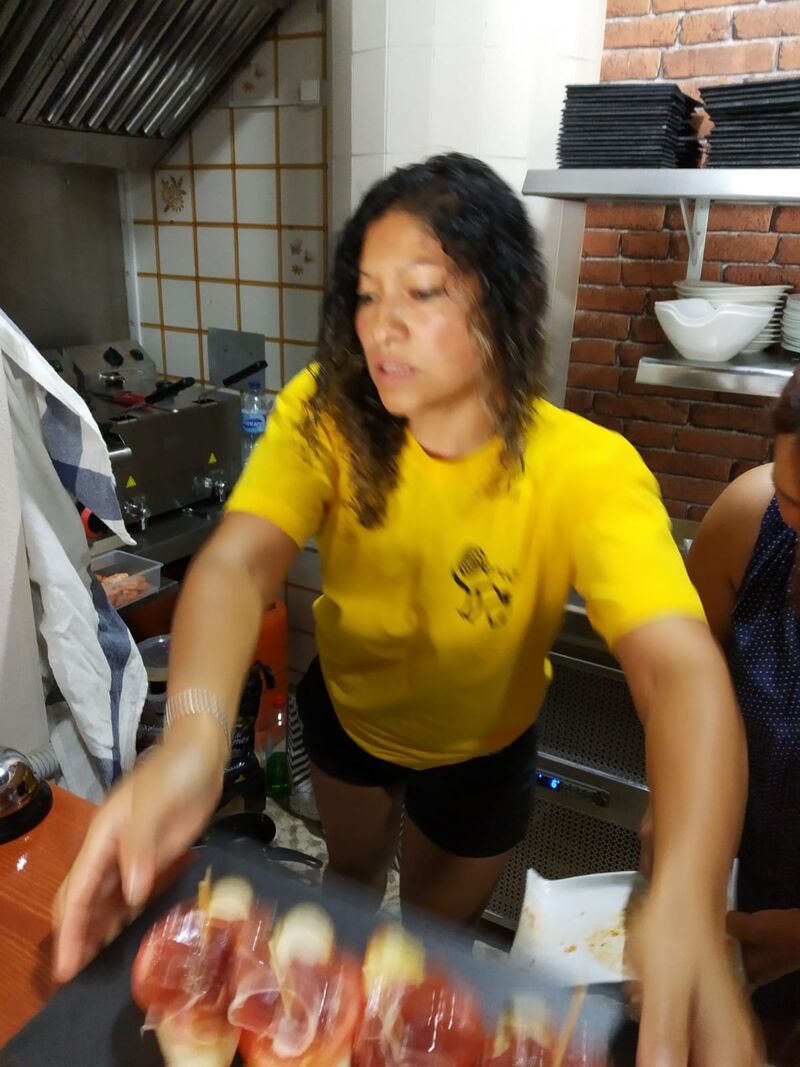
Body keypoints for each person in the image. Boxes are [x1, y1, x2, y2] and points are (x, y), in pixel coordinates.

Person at [53, 154, 759, 1066]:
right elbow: (236, 562)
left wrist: (692, 890)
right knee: (348, 885)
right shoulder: (327, 415)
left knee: (432, 944)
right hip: (350, 719)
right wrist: (192, 736)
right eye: (367, 294)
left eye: (421, 293)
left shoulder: (585, 468)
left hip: (483, 752)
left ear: (509, 303)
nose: (382, 326)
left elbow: (680, 668)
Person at [687, 369, 800, 1063]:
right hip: (749, 867)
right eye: (793, 496)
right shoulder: (748, 521)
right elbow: (687, 697)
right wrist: (677, 819)